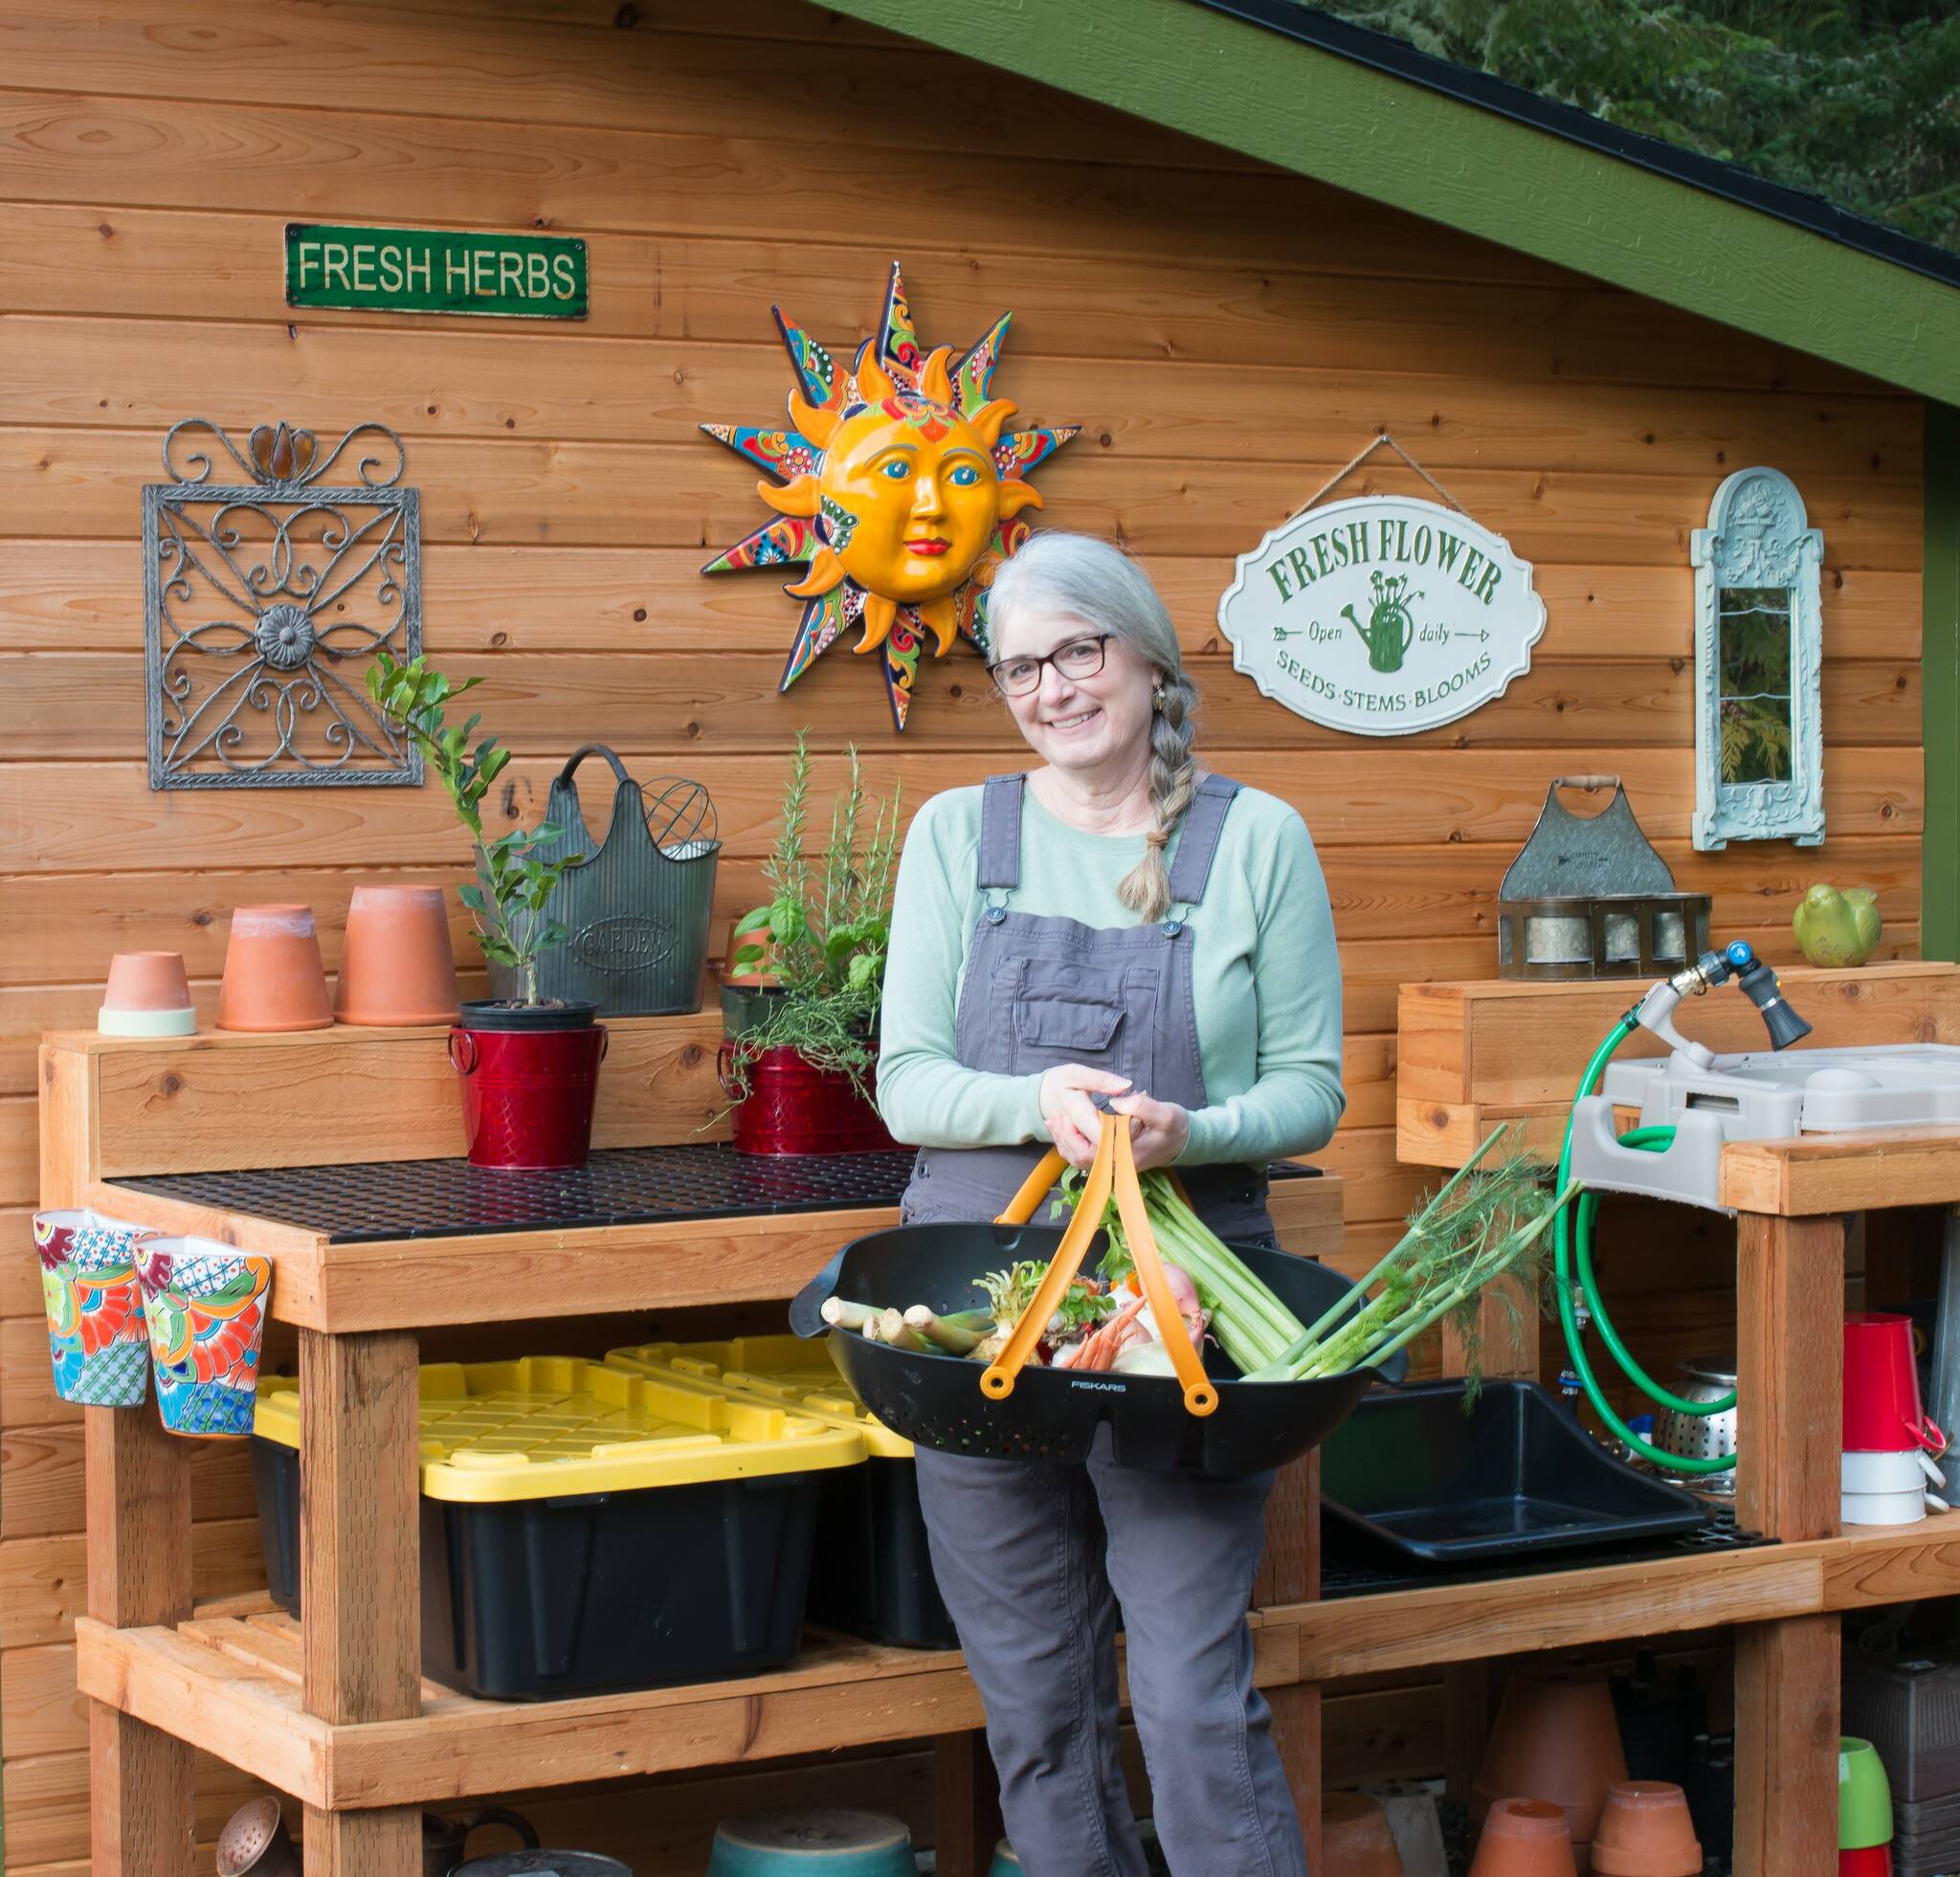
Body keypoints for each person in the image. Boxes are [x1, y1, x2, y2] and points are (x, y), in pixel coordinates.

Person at [876, 530, 1346, 1877]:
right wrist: (1041, 1104)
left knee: (1191, 1698)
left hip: (1184, 1311)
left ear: (1143, 653)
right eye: (1020, 665)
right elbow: (909, 1083)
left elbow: (1313, 1089)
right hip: (985, 1300)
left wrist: (1190, 1126)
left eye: (1077, 649)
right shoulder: (960, 836)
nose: (1052, 687)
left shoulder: (1257, 840)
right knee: (1036, 1703)